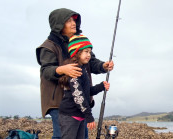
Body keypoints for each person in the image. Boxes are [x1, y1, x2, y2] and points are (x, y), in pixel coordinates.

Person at [35, 8, 114, 139]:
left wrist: (103, 66)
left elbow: (91, 61)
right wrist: (63, 69)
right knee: (62, 135)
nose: (74, 23)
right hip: (59, 102)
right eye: (68, 20)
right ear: (58, 24)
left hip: (81, 102)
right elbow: (46, 71)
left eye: (74, 20)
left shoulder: (80, 41)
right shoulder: (48, 46)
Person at [58, 35, 110, 138]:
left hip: (79, 116)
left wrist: (101, 87)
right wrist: (89, 116)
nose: (89, 55)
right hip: (70, 116)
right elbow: (79, 97)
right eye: (86, 51)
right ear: (76, 52)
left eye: (90, 52)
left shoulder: (83, 70)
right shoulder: (74, 70)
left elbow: (86, 91)